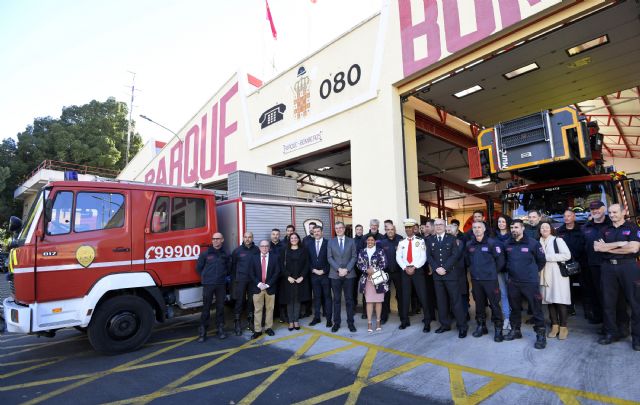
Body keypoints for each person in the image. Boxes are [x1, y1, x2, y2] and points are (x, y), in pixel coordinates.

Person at [594, 203, 640, 351]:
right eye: (610, 213)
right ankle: (611, 333)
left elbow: (633, 248)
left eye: (615, 212)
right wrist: (621, 244)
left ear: (623, 212)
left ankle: (637, 338)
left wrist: (608, 248)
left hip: (628, 266)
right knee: (608, 303)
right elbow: (597, 248)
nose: (612, 215)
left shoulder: (633, 228)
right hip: (608, 268)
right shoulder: (604, 229)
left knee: (635, 303)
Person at [503, 219, 547, 349]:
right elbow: (505, 261)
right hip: (513, 282)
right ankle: (516, 331)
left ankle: (540, 336)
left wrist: (532, 272)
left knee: (536, 309)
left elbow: (541, 261)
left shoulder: (533, 243)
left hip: (530, 282)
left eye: (516, 227)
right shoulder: (507, 244)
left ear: (522, 228)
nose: (513, 230)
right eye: (511, 227)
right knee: (515, 308)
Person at [427, 218, 468, 338]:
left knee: (456, 301)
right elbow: (429, 256)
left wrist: (444, 268)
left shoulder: (452, 239)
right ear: (434, 227)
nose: (438, 226)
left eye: (440, 224)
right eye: (436, 225)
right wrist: (436, 268)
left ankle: (462, 326)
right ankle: (445, 324)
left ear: (445, 226)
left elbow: (455, 255)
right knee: (441, 301)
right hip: (437, 276)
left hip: (450, 275)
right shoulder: (430, 240)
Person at [465, 222, 505, 342]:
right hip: (476, 280)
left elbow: (500, 261)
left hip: (490, 280)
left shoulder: (492, 243)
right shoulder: (469, 244)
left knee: (494, 305)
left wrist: (492, 272)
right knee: (479, 305)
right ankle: (481, 326)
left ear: (484, 229)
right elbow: (467, 260)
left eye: (479, 227)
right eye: (474, 228)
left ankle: (498, 329)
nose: (477, 229)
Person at [396, 218, 432, 332]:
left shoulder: (420, 241)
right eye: (406, 228)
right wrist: (405, 267)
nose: (408, 230)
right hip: (405, 272)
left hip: (418, 271)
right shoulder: (401, 242)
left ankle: (427, 322)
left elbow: (423, 257)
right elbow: (398, 257)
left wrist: (414, 267)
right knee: (405, 297)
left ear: (413, 228)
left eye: (410, 227)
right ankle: (404, 321)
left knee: (423, 297)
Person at [539, 222, 572, 340]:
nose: (544, 229)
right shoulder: (538, 242)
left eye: (546, 227)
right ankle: (555, 325)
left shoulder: (557, 240)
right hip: (544, 275)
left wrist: (547, 257)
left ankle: (563, 327)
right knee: (549, 301)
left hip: (557, 275)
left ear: (551, 229)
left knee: (560, 301)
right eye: (542, 227)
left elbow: (567, 255)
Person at [196, 232, 230, 342]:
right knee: (206, 308)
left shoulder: (225, 254)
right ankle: (203, 331)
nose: (215, 240)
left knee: (220, 308)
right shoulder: (205, 254)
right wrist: (207, 278)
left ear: (222, 240)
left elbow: (229, 268)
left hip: (221, 284)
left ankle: (220, 329)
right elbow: (198, 269)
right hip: (208, 284)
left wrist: (223, 277)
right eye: (214, 239)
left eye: (218, 239)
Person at [327, 221, 358, 333]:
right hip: (335, 275)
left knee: (349, 300)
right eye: (337, 228)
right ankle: (336, 323)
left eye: (341, 228)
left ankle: (351, 323)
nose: (339, 230)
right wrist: (339, 269)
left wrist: (347, 269)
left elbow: (354, 256)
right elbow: (329, 258)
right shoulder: (331, 241)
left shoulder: (351, 241)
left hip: (349, 275)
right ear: (335, 230)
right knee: (336, 300)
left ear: (344, 229)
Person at [556, 210, 585, 318]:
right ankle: (570, 308)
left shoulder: (582, 230)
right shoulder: (559, 231)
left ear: (574, 217)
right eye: (565, 216)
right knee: (567, 288)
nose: (566, 218)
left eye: (569, 216)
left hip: (581, 263)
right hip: (566, 265)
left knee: (585, 287)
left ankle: (589, 310)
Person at [357, 234, 389, 332]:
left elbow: (384, 263)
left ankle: (378, 321)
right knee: (369, 302)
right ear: (366, 241)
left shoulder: (380, 251)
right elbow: (359, 263)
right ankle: (369, 323)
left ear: (375, 241)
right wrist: (367, 270)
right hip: (367, 280)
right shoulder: (362, 252)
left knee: (379, 301)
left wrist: (373, 269)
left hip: (378, 280)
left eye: (372, 240)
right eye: (368, 240)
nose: (370, 241)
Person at [279, 232, 310, 331]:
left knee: (297, 300)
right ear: (289, 240)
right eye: (291, 238)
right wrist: (287, 276)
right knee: (289, 300)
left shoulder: (304, 250)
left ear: (298, 239)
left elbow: (307, 265)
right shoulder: (284, 250)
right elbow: (281, 266)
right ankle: (291, 321)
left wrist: (302, 277)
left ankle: (296, 320)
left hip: (299, 279)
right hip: (288, 279)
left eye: (295, 237)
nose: (293, 239)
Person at [250, 240, 281, 339]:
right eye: (262, 246)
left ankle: (268, 328)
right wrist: (259, 284)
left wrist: (267, 284)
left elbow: (277, 272)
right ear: (259, 247)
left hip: (270, 288)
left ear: (269, 248)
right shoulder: (253, 258)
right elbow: (251, 273)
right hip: (257, 288)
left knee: (270, 309)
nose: (264, 248)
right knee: (258, 310)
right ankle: (257, 330)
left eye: (266, 246)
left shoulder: (275, 258)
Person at [231, 232, 260, 336]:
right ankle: (237, 322)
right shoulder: (237, 251)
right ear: (243, 238)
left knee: (251, 301)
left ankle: (250, 321)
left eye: (249, 237)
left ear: (252, 238)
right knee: (240, 301)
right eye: (246, 237)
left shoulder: (257, 249)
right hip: (241, 280)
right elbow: (233, 267)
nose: (247, 239)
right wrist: (235, 281)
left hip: (253, 281)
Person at [306, 225, 332, 327]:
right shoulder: (309, 244)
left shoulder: (328, 243)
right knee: (316, 297)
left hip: (325, 275)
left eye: (318, 231)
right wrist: (313, 270)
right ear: (313, 233)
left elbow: (331, 259)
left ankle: (329, 319)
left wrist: (324, 270)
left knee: (327, 297)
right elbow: (307, 260)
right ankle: (317, 317)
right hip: (314, 275)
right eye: (315, 231)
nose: (316, 233)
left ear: (322, 232)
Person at [378, 223, 403, 324]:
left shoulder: (400, 241)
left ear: (395, 230)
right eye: (388, 229)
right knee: (385, 295)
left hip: (398, 273)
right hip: (386, 273)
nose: (390, 231)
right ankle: (384, 316)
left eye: (392, 229)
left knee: (401, 295)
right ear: (386, 231)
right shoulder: (381, 242)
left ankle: (403, 315)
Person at [448, 221, 470, 319]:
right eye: (447, 230)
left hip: (459, 272)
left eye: (450, 231)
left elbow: (455, 256)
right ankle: (453, 313)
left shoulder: (459, 242)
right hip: (449, 273)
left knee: (462, 294)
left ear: (457, 233)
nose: (448, 232)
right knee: (452, 294)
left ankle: (465, 314)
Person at [494, 214, 512, 330]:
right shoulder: (493, 237)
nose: (501, 224)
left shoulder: (513, 235)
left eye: (503, 222)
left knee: (513, 294)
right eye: (499, 222)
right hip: (499, 270)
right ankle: (507, 318)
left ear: (507, 223)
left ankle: (514, 318)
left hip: (512, 270)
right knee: (504, 294)